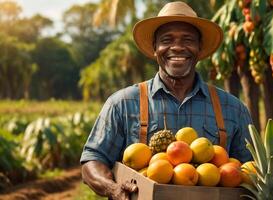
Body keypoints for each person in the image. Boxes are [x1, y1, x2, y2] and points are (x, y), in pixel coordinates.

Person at [80, 1, 253, 199]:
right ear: (155, 48)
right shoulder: (122, 103)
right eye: (167, 39)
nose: (177, 47)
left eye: (187, 39)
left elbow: (249, 171)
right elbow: (92, 160)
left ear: (199, 48)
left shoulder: (233, 109)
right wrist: (112, 188)